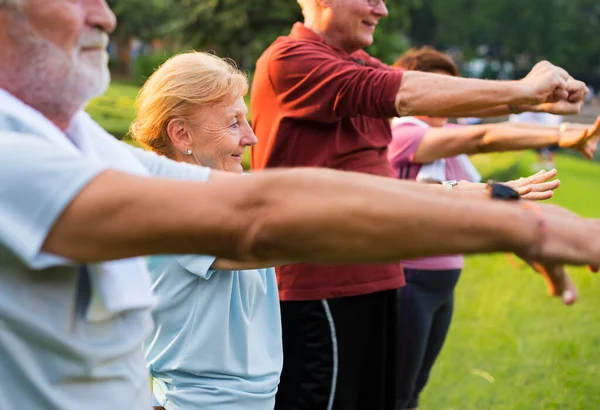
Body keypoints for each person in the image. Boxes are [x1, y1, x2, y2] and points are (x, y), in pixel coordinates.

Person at [2, 1, 600, 409]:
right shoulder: (15, 158)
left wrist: (495, 201)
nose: (105, 15)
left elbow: (310, 191)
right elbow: (259, 219)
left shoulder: (94, 152)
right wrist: (520, 225)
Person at [249, 0, 590, 408]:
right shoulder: (291, 59)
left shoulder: (358, 61)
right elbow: (408, 94)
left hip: (378, 275)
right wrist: (522, 92)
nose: (383, 9)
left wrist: (535, 102)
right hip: (322, 287)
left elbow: (425, 96)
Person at [389, 46, 600, 410]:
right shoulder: (405, 133)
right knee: (395, 394)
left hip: (442, 281)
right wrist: (559, 132)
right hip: (410, 281)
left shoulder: (444, 137)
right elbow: (483, 137)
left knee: (412, 391)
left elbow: (488, 196)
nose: (450, 100)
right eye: (441, 90)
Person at [131, 52, 280, 410]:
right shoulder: (174, 208)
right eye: (233, 123)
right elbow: (281, 240)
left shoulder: (221, 194)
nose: (252, 138)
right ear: (181, 134)